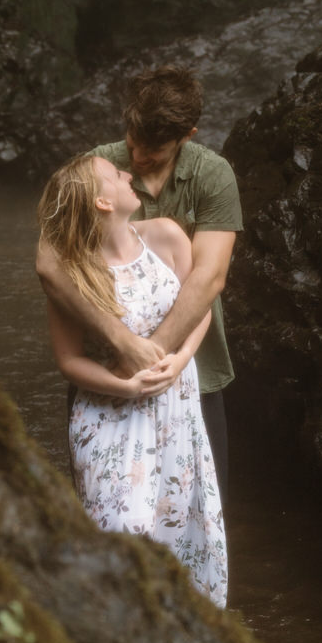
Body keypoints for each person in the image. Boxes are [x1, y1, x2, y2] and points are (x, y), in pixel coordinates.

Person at [36, 65, 242, 493]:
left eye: (154, 151)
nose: (137, 159)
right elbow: (50, 263)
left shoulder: (213, 175)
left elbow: (209, 277)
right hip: (103, 374)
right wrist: (121, 347)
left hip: (193, 375)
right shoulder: (99, 168)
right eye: (133, 144)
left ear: (188, 134)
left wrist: (146, 362)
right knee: (108, 517)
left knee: (198, 508)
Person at [38, 151, 228, 606]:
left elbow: (198, 308)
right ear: (103, 204)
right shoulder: (74, 270)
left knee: (182, 530)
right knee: (120, 534)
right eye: (116, 176)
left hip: (175, 408)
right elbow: (68, 361)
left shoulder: (165, 236)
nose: (127, 175)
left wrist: (181, 358)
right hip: (108, 414)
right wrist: (123, 386)